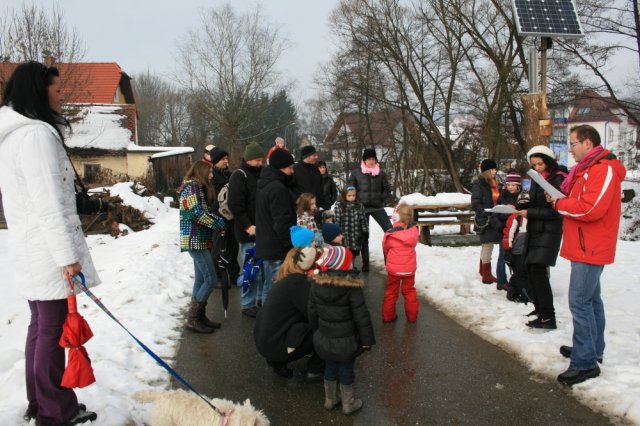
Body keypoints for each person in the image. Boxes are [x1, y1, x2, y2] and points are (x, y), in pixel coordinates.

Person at [0, 61, 99, 425]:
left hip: (30, 248)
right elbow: (47, 203)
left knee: (40, 327)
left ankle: (40, 402)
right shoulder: (36, 135)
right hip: (46, 251)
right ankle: (56, 411)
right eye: (57, 90)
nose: (61, 95)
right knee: (52, 330)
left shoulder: (13, 135)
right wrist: (67, 256)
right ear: (38, 92)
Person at [548, 125, 626, 385]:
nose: (569, 149)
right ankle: (591, 350)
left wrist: (560, 204)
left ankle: (585, 363)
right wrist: (559, 198)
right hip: (584, 244)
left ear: (588, 144)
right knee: (591, 301)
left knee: (580, 301)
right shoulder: (586, 170)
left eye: (573, 143)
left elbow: (591, 209)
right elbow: (580, 201)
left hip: (591, 246)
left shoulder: (602, 170)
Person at [308, 246, 375, 415]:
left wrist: (318, 331)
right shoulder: (351, 286)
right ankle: (348, 403)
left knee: (329, 367)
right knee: (346, 370)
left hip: (325, 338)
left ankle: (330, 400)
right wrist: (367, 340)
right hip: (347, 340)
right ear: (344, 265)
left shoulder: (316, 284)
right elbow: (361, 316)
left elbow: (312, 312)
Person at [253, 246, 324, 380]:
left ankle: (277, 360)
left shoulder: (286, 278)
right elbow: (315, 315)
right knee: (327, 329)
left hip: (265, 341)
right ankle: (315, 370)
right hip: (275, 344)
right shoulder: (298, 283)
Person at [516, 146, 566, 330]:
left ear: (549, 161)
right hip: (535, 228)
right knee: (530, 269)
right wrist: (523, 203)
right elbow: (534, 200)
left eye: (540, 163)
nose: (537, 167)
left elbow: (556, 210)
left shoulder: (557, 178)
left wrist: (530, 211)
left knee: (538, 272)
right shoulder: (538, 179)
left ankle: (548, 317)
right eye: (534, 164)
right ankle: (540, 309)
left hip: (548, 231)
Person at [179, 161, 226, 334]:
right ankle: (193, 319)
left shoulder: (195, 188)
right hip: (194, 238)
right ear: (202, 172)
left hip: (199, 238)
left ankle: (199, 317)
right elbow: (195, 213)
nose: (212, 175)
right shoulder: (192, 188)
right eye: (210, 172)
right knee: (211, 279)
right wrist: (217, 223)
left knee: (200, 279)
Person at [228, 142, 265, 318]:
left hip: (263, 231)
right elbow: (236, 205)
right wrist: (248, 226)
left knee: (263, 269)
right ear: (249, 159)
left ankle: (259, 299)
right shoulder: (239, 176)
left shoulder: (262, 175)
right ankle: (247, 303)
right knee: (251, 271)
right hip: (247, 232)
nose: (260, 163)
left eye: (261, 160)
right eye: (257, 160)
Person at [255, 148, 297, 303]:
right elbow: (282, 221)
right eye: (290, 168)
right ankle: (271, 322)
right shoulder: (277, 188)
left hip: (266, 244)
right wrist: (289, 246)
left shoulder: (265, 184)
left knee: (269, 285)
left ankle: (266, 320)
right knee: (276, 289)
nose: (292, 171)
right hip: (276, 247)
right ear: (280, 168)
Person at [348, 148, 392, 271]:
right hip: (362, 208)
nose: (371, 161)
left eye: (373, 159)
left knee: (390, 231)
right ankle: (366, 263)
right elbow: (350, 189)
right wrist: (356, 203)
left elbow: (387, 189)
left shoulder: (381, 173)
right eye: (369, 159)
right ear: (364, 160)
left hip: (377, 207)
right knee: (364, 236)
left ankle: (389, 261)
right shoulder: (356, 173)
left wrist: (381, 199)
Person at [381, 204, 420, 323]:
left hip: (393, 269)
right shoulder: (414, 231)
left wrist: (389, 260)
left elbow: (385, 247)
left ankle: (388, 316)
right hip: (409, 268)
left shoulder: (391, 233)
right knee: (409, 291)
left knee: (391, 291)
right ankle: (412, 317)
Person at [208, 145, 240, 284]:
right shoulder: (211, 176)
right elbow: (211, 197)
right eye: (223, 159)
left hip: (231, 216)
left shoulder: (230, 174)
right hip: (217, 216)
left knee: (233, 246)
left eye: (226, 158)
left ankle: (234, 274)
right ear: (215, 161)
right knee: (218, 247)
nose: (226, 161)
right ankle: (219, 277)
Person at [471, 159, 502, 284]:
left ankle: (482, 270)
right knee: (487, 245)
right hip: (485, 219)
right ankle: (487, 275)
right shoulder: (479, 184)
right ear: (486, 171)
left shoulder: (495, 183)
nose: (495, 171)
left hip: (494, 218)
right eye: (492, 169)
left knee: (488, 245)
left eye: (495, 169)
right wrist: (487, 212)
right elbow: (475, 204)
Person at [495, 170, 523, 291]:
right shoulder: (502, 196)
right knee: (502, 256)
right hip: (505, 231)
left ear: (518, 185)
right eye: (509, 184)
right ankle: (501, 281)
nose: (510, 187)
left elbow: (524, 212)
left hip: (519, 232)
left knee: (517, 257)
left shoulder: (522, 196)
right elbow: (496, 213)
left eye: (513, 185)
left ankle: (517, 280)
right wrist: (505, 211)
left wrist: (516, 209)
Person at [334, 186, 368, 263]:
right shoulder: (339, 205)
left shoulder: (359, 205)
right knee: (345, 252)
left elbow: (363, 219)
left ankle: (352, 265)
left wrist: (365, 231)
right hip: (344, 234)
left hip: (356, 233)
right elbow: (337, 221)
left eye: (354, 195)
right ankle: (346, 266)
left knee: (354, 252)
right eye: (349, 196)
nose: (352, 197)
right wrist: (337, 234)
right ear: (344, 195)